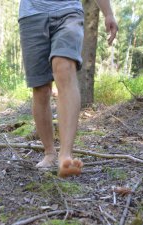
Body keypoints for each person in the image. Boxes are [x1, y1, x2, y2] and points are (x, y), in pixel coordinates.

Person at [18, 0, 118, 178]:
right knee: (41, 88)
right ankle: (49, 153)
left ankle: (65, 155)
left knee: (64, 68)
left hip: (68, 11)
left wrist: (108, 13)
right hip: (32, 15)